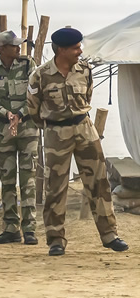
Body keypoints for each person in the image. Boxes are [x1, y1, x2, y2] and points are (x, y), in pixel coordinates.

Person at [26, 27, 128, 256]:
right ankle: (56, 240)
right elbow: (32, 107)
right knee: (55, 187)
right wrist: (52, 127)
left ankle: (110, 235)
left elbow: (87, 96)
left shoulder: (85, 70)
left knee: (99, 183)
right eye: (75, 47)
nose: (80, 51)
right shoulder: (40, 75)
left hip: (84, 129)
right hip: (56, 134)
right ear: (61, 49)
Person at [0, 31, 39, 245]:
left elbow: (35, 95)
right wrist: (5, 114)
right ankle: (11, 227)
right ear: (2, 49)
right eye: (14, 46)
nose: (18, 48)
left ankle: (30, 228)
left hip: (28, 128)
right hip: (4, 130)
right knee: (7, 180)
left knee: (28, 179)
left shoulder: (27, 64)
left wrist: (21, 114)